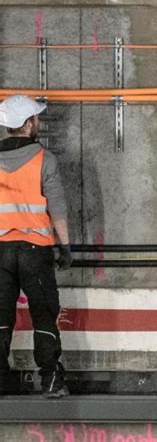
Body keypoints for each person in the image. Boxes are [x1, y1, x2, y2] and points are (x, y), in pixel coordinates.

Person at [0, 94, 72, 398]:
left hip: (0, 250)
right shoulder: (45, 160)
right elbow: (58, 208)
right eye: (35, 118)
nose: (37, 121)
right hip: (35, 249)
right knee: (43, 314)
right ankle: (52, 381)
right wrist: (65, 247)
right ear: (28, 124)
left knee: (1, 318)